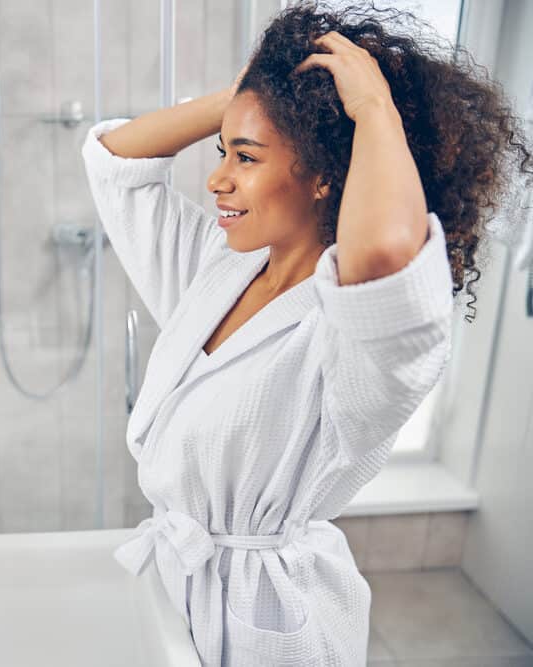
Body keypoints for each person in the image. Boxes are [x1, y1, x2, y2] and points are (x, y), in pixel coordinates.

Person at [80, 2, 532, 665]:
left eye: (247, 156)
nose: (216, 178)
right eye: (221, 151)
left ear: (324, 175)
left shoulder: (355, 335)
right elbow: (114, 163)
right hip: (178, 596)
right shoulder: (221, 266)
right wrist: (249, 93)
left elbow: (381, 255)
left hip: (269, 627)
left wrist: (373, 110)